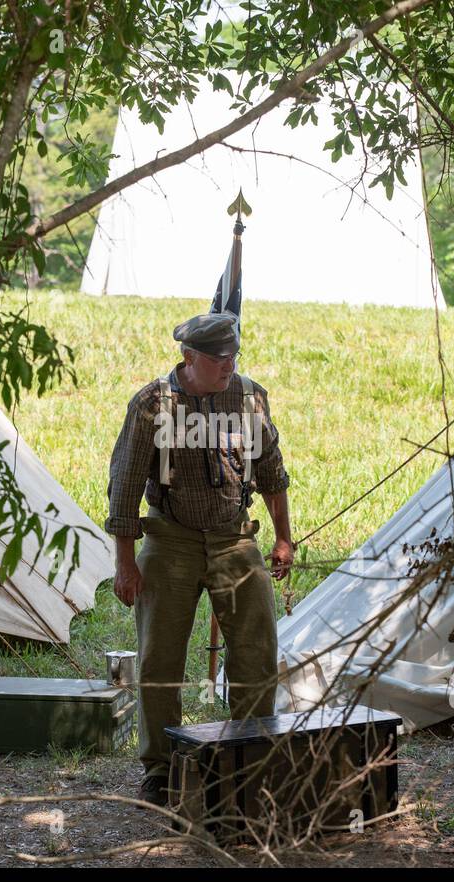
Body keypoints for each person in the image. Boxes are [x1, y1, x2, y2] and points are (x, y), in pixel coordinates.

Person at [105, 312, 293, 806]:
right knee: (159, 659)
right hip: (169, 538)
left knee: (256, 652)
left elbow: (273, 471)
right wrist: (126, 563)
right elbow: (123, 487)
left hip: (234, 536)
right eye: (217, 358)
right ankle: (160, 771)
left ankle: (248, 760)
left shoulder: (249, 397)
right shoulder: (153, 404)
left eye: (233, 355)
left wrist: (282, 539)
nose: (228, 365)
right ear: (189, 358)